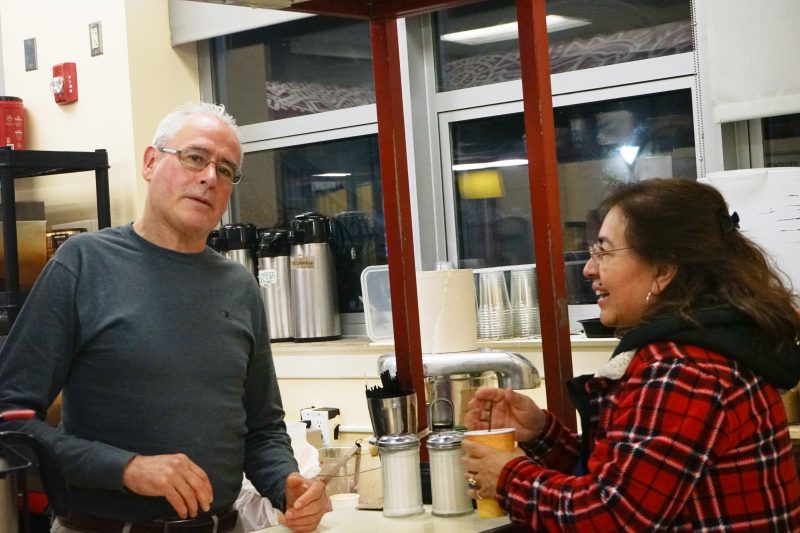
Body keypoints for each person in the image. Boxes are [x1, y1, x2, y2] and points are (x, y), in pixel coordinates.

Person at [0, 102, 330, 533]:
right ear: (151, 162)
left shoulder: (239, 286)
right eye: (194, 157)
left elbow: (262, 428)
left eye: (226, 170)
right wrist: (127, 469)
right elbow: (11, 420)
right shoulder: (83, 264)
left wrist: (287, 485)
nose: (210, 177)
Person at [462, 178, 800, 530]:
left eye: (604, 252)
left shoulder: (683, 370)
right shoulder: (696, 348)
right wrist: (541, 435)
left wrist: (507, 476)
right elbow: (630, 477)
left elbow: (611, 517)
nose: (588, 269)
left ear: (662, 271)